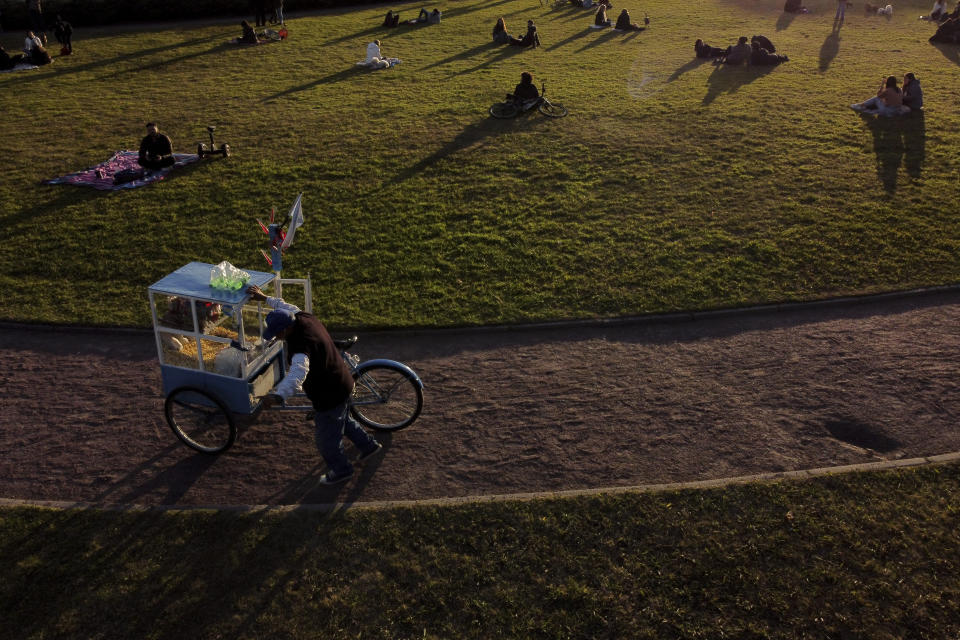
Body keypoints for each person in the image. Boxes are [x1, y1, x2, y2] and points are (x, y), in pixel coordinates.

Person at [247, 284, 383, 486]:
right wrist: (264, 298)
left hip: (329, 394)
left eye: (277, 333)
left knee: (325, 440)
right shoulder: (303, 317)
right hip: (342, 380)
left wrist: (279, 395)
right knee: (342, 419)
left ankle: (342, 470)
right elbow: (285, 305)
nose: (276, 337)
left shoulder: (300, 347)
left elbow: (297, 374)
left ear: (286, 329)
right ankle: (368, 446)